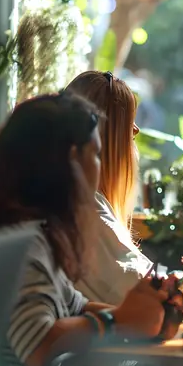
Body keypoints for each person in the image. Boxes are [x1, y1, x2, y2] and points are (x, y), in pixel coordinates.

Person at [0, 93, 182, 366]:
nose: (100, 166)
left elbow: (76, 307)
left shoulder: (24, 231)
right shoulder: (23, 244)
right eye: (97, 155)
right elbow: (38, 344)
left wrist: (142, 317)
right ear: (73, 159)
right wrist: (120, 322)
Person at [65, 70, 152, 303]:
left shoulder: (78, 198)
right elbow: (136, 286)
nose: (136, 131)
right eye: (128, 126)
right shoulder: (83, 204)